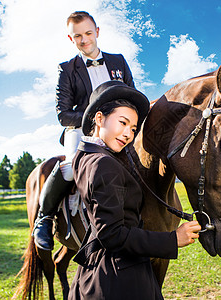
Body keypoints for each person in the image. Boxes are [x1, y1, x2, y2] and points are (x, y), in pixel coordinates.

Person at [68, 80, 201, 300]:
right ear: (99, 118)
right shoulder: (104, 164)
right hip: (120, 280)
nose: (128, 133)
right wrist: (172, 239)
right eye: (122, 122)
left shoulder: (85, 156)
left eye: (133, 128)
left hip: (100, 273)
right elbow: (111, 234)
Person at [33, 11, 135, 251]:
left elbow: (131, 96)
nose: (84, 39)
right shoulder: (67, 69)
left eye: (88, 33)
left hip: (118, 128)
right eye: (77, 36)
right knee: (70, 167)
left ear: (97, 32)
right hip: (80, 130)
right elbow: (63, 114)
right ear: (71, 39)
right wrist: (95, 120)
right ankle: (44, 218)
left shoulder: (118, 61)